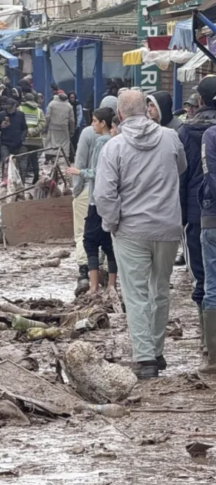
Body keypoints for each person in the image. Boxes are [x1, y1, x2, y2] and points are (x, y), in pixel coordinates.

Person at [94, 90, 187, 379]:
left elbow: (104, 194)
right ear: (147, 110)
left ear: (119, 115)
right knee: (160, 289)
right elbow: (180, 168)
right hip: (168, 227)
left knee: (135, 294)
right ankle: (157, 352)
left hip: (131, 230)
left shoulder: (114, 147)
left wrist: (112, 224)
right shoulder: (170, 137)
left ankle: (145, 357)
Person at [178, 76, 216, 351]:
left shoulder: (186, 130)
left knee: (201, 277)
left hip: (197, 213)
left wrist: (178, 214)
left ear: (199, 101)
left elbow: (180, 175)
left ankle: (208, 344)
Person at [70, 95, 118, 295]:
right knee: (109, 240)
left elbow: (83, 162)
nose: (92, 124)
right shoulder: (120, 137)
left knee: (86, 236)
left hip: (93, 193)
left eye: (94, 120)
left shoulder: (94, 137)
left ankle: (88, 279)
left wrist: (76, 185)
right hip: (114, 196)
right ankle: (111, 283)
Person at [196, 123, 216, 374]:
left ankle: (213, 358)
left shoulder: (210, 134)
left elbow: (209, 173)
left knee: (212, 284)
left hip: (212, 217)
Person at [19, 93, 46, 184]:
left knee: (23, 158)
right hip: (36, 139)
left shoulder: (20, 108)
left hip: (24, 138)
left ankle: (22, 178)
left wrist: (26, 131)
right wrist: (34, 131)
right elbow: (43, 123)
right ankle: (36, 176)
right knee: (34, 158)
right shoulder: (39, 110)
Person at [0, 97, 27, 175]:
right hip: (5, 143)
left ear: (14, 106)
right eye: (7, 109)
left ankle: (19, 183)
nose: (9, 110)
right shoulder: (1, 115)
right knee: (5, 163)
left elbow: (25, 128)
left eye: (10, 108)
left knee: (20, 166)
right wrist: (1, 126)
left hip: (18, 143)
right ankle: (5, 181)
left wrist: (22, 138)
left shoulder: (20, 115)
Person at [45, 92, 75, 163]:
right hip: (64, 128)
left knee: (51, 143)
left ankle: (51, 157)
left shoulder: (51, 104)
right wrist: (72, 130)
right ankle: (62, 157)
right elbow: (72, 120)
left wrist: (45, 126)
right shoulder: (69, 106)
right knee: (64, 144)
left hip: (53, 127)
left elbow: (47, 117)